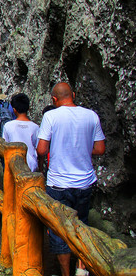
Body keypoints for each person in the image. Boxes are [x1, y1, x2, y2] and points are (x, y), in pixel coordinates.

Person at [36, 82, 105, 276]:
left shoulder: (51, 116)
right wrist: (81, 149)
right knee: (81, 225)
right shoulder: (91, 115)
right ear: (73, 95)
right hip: (84, 182)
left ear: (54, 99)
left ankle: (66, 273)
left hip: (58, 183)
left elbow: (41, 149)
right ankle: (81, 269)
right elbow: (100, 149)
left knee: (59, 230)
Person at [2, 93, 39, 172]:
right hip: (32, 164)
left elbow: (5, 145)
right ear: (28, 108)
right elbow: (38, 148)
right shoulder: (35, 127)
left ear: (14, 109)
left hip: (13, 163)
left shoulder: (8, 126)